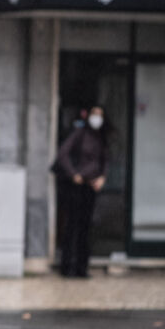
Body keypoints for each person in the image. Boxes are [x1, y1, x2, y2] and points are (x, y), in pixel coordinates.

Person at [55, 105, 109, 278]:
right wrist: (73, 174)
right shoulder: (79, 133)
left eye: (100, 115)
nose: (97, 118)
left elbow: (105, 160)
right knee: (73, 226)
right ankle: (67, 266)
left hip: (91, 187)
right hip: (77, 186)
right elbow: (62, 154)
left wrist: (102, 177)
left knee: (86, 227)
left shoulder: (102, 137)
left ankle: (81, 267)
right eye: (95, 114)